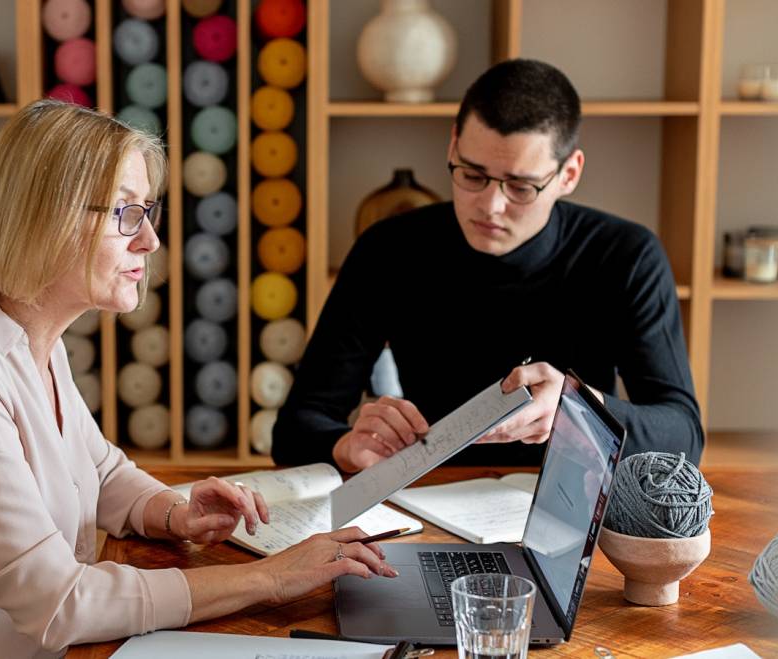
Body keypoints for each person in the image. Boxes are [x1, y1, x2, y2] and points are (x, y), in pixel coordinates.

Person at [0, 100, 395, 659]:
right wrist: (272, 579)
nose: (150, 241)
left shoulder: (30, 337)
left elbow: (100, 472)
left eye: (146, 211)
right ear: (42, 219)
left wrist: (175, 512)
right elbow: (56, 603)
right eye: (124, 213)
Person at [272, 59, 704, 473]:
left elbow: (684, 434)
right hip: (427, 494)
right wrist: (345, 445)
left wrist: (580, 408)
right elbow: (294, 428)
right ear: (453, 143)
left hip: (573, 506)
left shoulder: (626, 255)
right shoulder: (388, 249)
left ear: (568, 174)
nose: (491, 207)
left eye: (520, 186)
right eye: (472, 175)